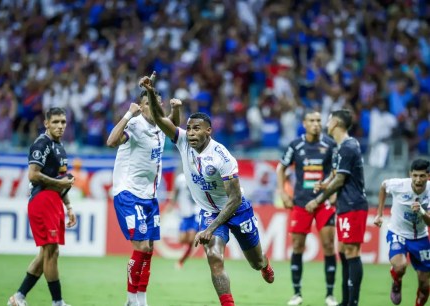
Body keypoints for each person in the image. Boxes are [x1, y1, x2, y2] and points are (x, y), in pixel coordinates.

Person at [140, 72, 274, 306]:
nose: (190, 133)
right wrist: (151, 93)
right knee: (214, 257)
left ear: (208, 131)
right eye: (189, 128)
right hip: (209, 212)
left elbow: (233, 200)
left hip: (237, 210)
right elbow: (162, 121)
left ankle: (264, 265)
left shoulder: (223, 157)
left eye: (196, 129)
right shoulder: (182, 141)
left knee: (256, 261)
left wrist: (210, 228)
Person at [106, 88, 181, 306]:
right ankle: (130, 300)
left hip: (149, 196)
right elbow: (111, 141)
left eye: (157, 105)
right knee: (139, 247)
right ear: (141, 106)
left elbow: (173, 128)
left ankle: (141, 300)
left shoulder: (159, 125)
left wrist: (176, 109)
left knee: (148, 249)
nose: (153, 109)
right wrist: (128, 114)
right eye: (148, 104)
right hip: (129, 193)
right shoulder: (135, 124)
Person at [7, 107, 76, 306]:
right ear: (46, 123)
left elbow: (62, 180)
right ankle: (57, 302)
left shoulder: (60, 148)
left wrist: (69, 207)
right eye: (55, 122)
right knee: (52, 251)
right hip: (42, 200)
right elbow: (33, 175)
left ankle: (18, 297)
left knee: (47, 253)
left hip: (55, 201)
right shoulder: (42, 143)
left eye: (63, 122)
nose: (60, 126)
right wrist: (60, 183)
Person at [305, 109, 368, 306]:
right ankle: (346, 299)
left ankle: (353, 302)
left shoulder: (348, 147)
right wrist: (324, 183)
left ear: (336, 124)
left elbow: (341, 179)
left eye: (329, 119)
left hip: (353, 204)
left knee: (352, 251)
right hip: (345, 204)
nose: (326, 122)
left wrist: (318, 199)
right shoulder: (342, 146)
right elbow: (335, 173)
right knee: (343, 249)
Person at [276, 110, 338, 306]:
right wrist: (283, 193)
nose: (316, 124)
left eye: (319, 120)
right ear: (304, 123)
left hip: (324, 201)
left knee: (328, 245)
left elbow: (337, 171)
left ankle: (329, 295)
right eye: (312, 120)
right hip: (301, 202)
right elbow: (281, 168)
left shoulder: (330, 144)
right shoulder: (296, 145)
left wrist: (334, 190)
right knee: (297, 246)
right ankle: (297, 294)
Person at [374, 159, 430, 306]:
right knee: (399, 266)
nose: (418, 180)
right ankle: (396, 282)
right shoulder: (399, 185)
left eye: (422, 176)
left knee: (425, 285)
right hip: (398, 232)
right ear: (410, 174)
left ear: (428, 176)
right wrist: (379, 213)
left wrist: (422, 211)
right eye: (415, 175)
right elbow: (383, 186)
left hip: (421, 237)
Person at [166, 171, 200, 269]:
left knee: (191, 239)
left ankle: (181, 261)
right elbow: (175, 192)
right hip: (185, 213)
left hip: (196, 212)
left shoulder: (198, 177)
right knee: (182, 239)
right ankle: (184, 256)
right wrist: (171, 204)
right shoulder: (180, 178)